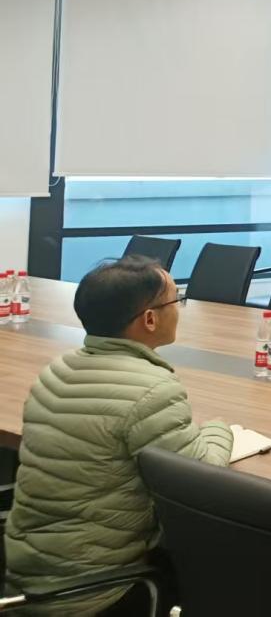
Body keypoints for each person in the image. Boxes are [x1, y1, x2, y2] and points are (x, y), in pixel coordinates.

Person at [3, 257, 234, 616]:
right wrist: (220, 430)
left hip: (25, 576)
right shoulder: (152, 390)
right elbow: (203, 481)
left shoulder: (55, 371)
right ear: (150, 320)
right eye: (177, 300)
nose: (180, 309)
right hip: (93, 592)